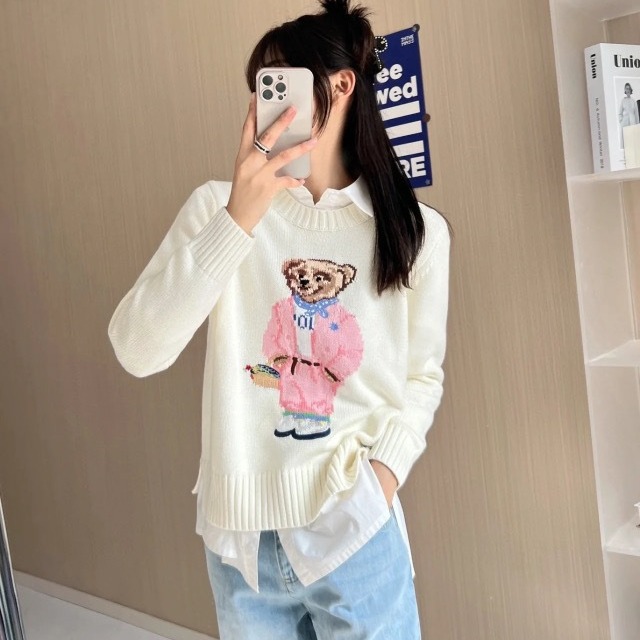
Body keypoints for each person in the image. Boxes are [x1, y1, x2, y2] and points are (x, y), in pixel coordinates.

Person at [108, 0, 453, 637]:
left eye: (281, 82)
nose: (266, 102)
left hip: (354, 530)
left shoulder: (415, 232)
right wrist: (239, 219)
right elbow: (137, 348)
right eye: (261, 88)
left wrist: (379, 480)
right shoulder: (216, 210)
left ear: (341, 84)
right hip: (240, 546)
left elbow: (422, 377)